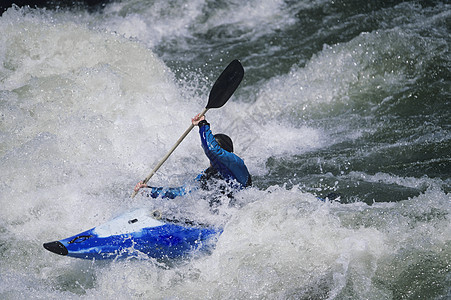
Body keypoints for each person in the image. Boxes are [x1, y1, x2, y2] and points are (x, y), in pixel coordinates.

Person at [134, 114, 251, 207]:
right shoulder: (208, 174)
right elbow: (182, 193)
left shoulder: (236, 164)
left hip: (238, 217)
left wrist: (203, 124)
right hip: (216, 218)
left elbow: (212, 150)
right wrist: (149, 191)